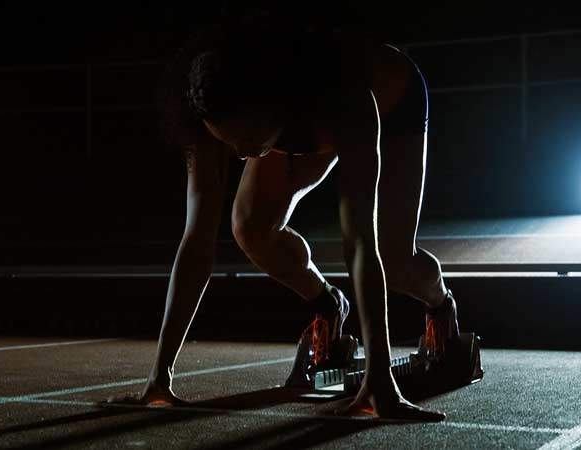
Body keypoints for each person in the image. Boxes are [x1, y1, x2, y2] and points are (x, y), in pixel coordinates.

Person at [116, 17, 461, 421]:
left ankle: (441, 306)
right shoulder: (210, 106)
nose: (240, 154)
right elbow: (196, 242)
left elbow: (359, 243)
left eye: (247, 138)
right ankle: (328, 305)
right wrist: (160, 376)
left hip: (391, 102)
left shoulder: (343, 97)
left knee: (394, 259)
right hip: (297, 122)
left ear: (269, 102)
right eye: (229, 141)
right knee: (250, 226)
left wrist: (379, 379)